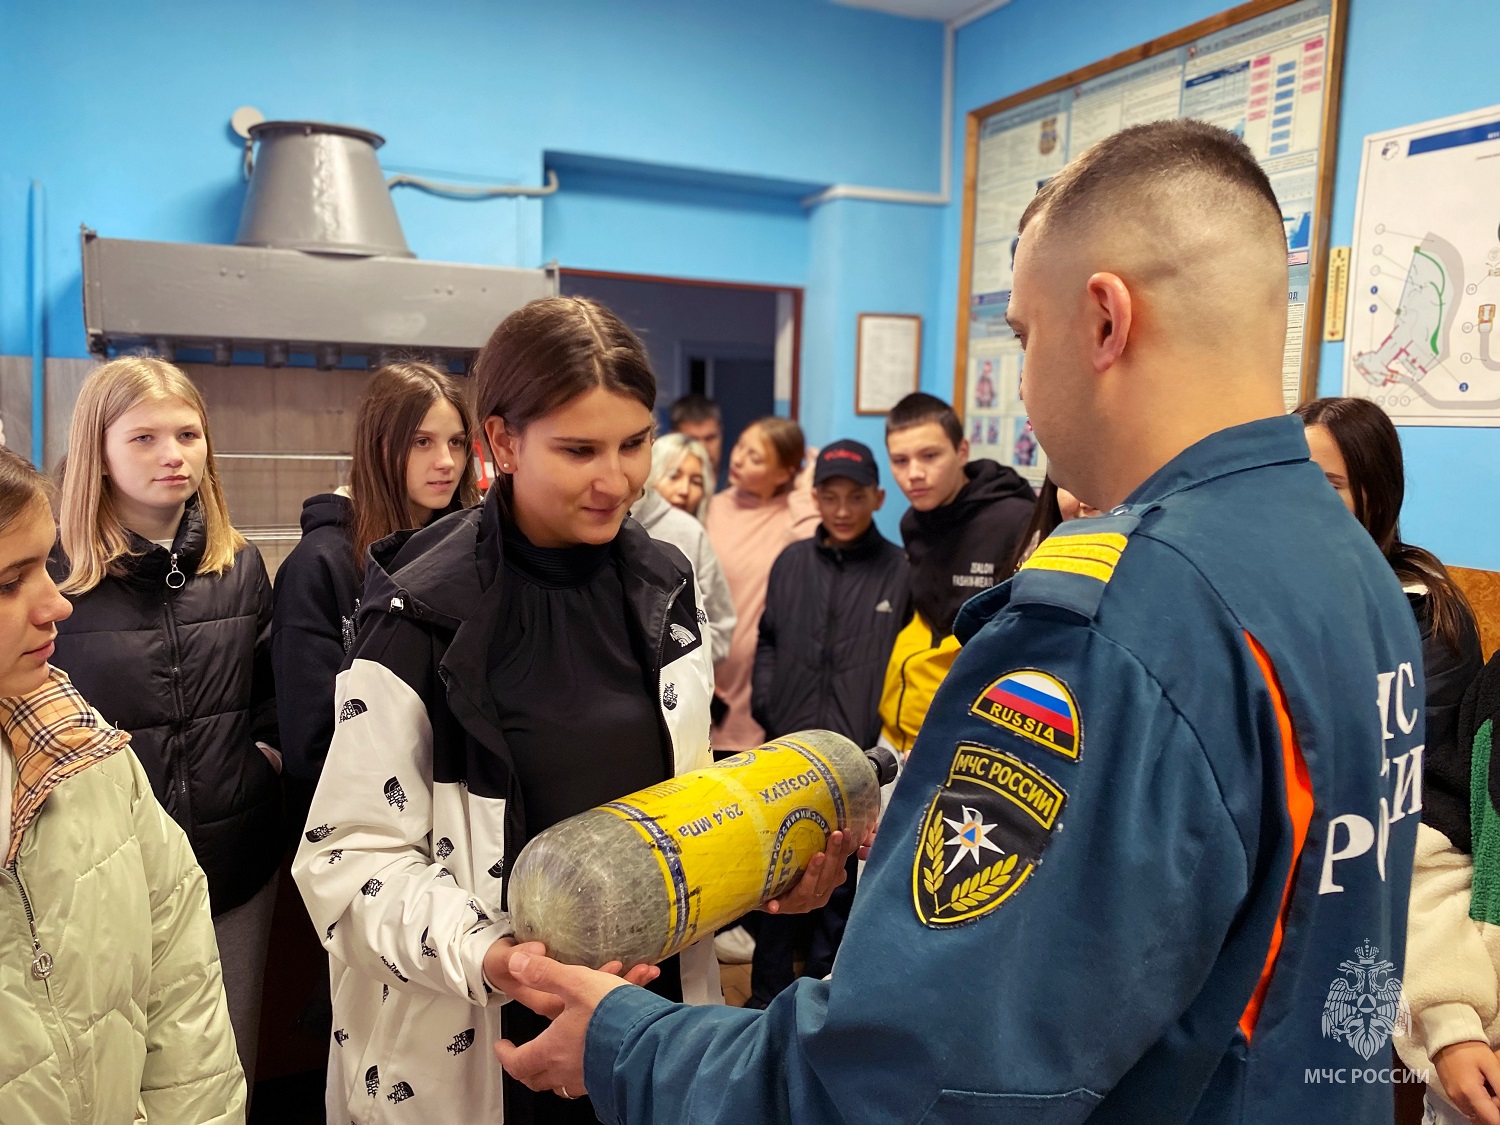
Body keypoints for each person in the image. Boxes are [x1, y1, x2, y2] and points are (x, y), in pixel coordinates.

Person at [490, 119, 1426, 1125]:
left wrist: (629, 1044)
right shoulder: (1352, 571)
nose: (1021, 382)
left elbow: (911, 1078)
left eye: (1023, 336)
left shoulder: (1118, 622)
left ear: (1104, 321)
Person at [292, 297, 851, 1125]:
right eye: (580, 450)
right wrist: (497, 958)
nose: (616, 479)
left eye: (634, 443)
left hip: (645, 1039)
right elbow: (345, 858)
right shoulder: (420, 612)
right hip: (482, 1047)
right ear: (504, 440)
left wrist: (767, 874)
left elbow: (683, 811)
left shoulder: (665, 586)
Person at [49, 356, 281, 1090]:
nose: (173, 454)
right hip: (97, 883)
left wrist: (261, 763)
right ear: (98, 452)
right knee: (112, 1083)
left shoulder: (239, 565)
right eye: (143, 438)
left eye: (188, 434)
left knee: (224, 1073)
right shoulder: (52, 577)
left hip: (232, 867)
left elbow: (271, 692)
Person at [0, 445, 245, 1124]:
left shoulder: (84, 750)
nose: (56, 605)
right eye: (9, 583)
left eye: (45, 568)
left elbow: (180, 978)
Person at [1296, 397, 1488, 1124]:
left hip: (1368, 882)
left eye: (1328, 484)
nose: (1301, 501)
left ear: (1376, 494)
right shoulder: (1289, 585)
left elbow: (1388, 784)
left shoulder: (1421, 613)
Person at [747, 439, 909, 1007]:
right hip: (789, 749)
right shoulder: (792, 562)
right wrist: (767, 703)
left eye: (856, 497)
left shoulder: (900, 571)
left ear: (877, 498)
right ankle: (763, 999)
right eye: (830, 496)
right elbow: (768, 638)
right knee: (777, 874)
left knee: (839, 880)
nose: (842, 509)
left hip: (858, 757)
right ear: (813, 497)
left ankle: (821, 1002)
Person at [272, 361, 479, 793]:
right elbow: (310, 743)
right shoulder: (319, 565)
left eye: (457, 442)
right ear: (378, 447)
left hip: (462, 801)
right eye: (422, 442)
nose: (446, 462)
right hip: (362, 811)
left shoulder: (471, 553)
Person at [879, 392, 1036, 753]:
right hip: (902, 727)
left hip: (969, 733)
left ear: (962, 451)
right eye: (900, 461)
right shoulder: (912, 523)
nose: (914, 474)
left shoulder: (1014, 520)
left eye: (930, 456)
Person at [706, 417, 818, 751]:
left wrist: (805, 490)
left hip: (759, 682)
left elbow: (812, 557)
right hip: (708, 673)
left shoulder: (792, 516)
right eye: (740, 445)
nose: (738, 458)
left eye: (755, 457)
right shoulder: (714, 506)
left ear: (784, 474)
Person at [630, 433, 735, 665]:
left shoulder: (689, 532)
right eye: (674, 476)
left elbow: (719, 624)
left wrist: (681, 670)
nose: (684, 490)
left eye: (696, 482)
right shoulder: (608, 523)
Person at [669, 393, 724, 480]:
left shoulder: (740, 486)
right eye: (692, 440)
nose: (703, 448)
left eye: (710, 438)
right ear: (673, 438)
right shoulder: (657, 485)